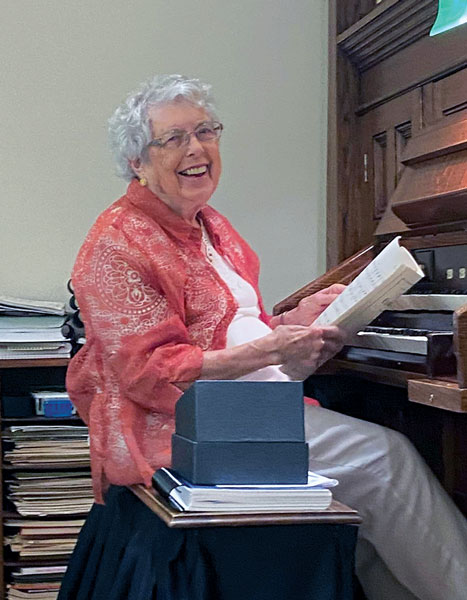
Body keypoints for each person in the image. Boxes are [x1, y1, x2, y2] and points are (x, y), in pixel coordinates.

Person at [64, 74, 467, 600]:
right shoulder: (115, 244)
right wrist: (275, 348)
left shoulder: (213, 227)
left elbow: (232, 328)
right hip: (190, 427)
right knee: (385, 459)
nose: (197, 149)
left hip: (252, 402)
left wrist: (298, 321)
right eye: (175, 138)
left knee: (369, 501)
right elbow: (147, 371)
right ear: (137, 163)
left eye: (206, 131)